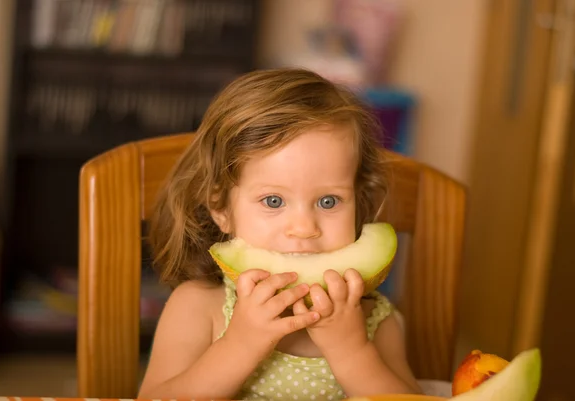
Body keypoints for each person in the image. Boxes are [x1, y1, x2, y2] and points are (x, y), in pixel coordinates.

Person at [138, 68, 422, 400]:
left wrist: (353, 350)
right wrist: (239, 344)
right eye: (273, 201)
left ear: (358, 204)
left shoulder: (374, 320)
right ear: (221, 208)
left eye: (328, 201)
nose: (304, 228)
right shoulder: (200, 307)